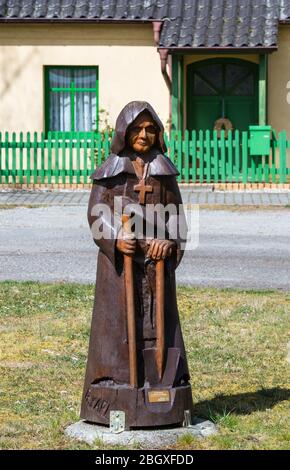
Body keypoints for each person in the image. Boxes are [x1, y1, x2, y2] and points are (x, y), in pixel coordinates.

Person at [80, 101, 193, 428]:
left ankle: (163, 381)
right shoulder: (111, 169)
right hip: (120, 268)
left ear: (158, 132)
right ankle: (113, 385)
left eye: (150, 128)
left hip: (157, 266)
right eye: (137, 129)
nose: (144, 135)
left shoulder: (163, 170)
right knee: (116, 324)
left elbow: (178, 219)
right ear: (124, 132)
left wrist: (168, 243)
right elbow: (96, 212)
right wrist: (116, 239)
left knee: (161, 323)